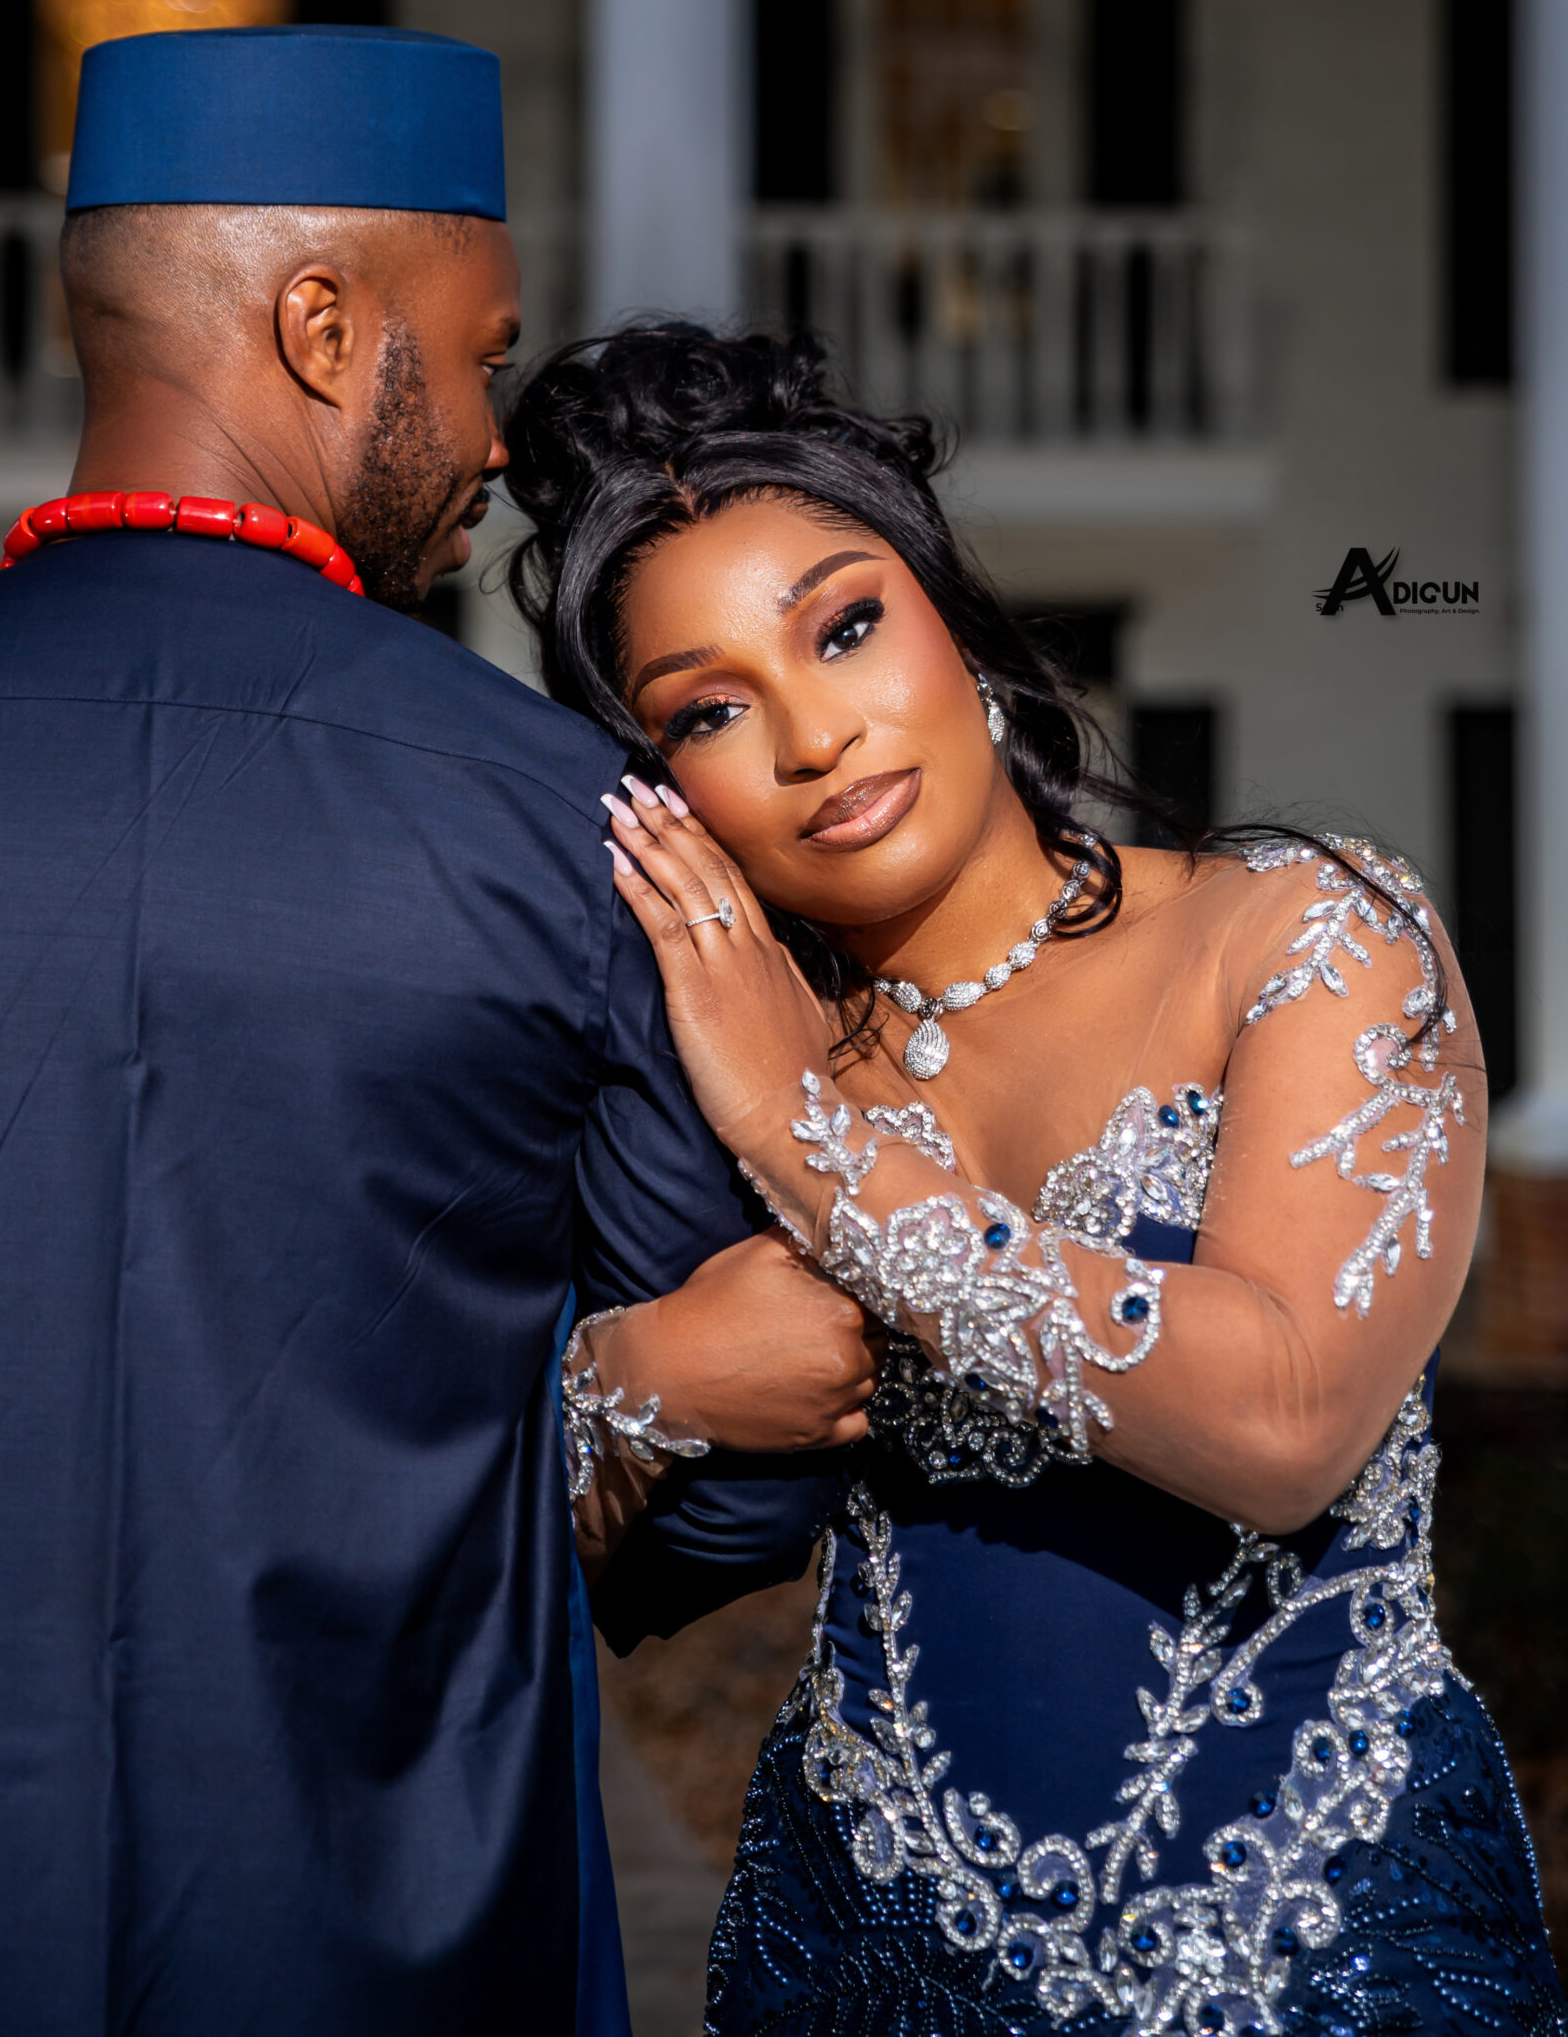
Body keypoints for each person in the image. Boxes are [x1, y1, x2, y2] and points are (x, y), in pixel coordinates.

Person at [0, 31, 875, 2035]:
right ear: (323, 325)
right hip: (383, 1929)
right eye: (482, 355)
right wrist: (574, 1416)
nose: (499, 441)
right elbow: (739, 1464)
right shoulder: (583, 831)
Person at [503, 320, 1567, 2037]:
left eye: (845, 626)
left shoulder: (1306, 937)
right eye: (712, 709)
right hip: (859, 1958)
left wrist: (809, 1146)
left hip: (1320, 1958)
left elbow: (1285, 1423)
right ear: (669, 800)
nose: (815, 737)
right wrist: (624, 1385)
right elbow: (503, 1560)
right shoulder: (708, 1066)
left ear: (954, 620)